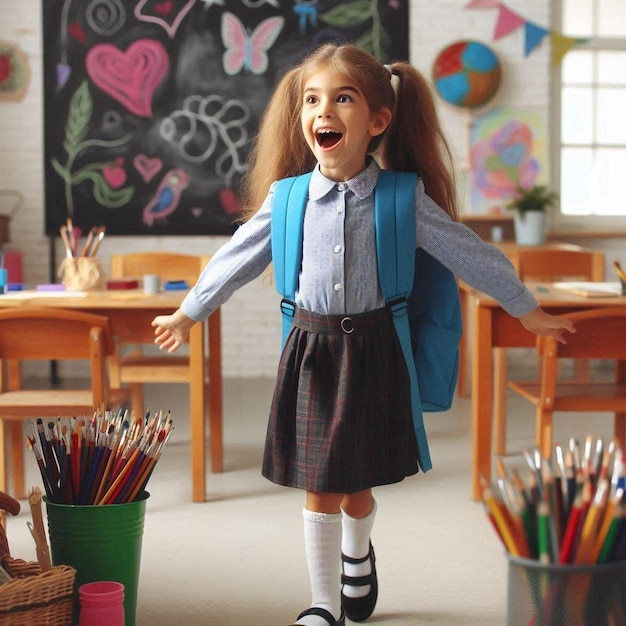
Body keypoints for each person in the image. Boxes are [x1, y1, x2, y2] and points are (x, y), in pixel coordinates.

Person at [151, 43, 575, 626]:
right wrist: (188, 311)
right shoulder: (288, 198)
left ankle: (358, 551)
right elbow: (236, 258)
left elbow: (469, 253)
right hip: (311, 350)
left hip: (377, 349)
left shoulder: (402, 198)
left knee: (357, 485)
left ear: (377, 121)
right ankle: (323, 603)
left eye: (342, 98)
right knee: (321, 483)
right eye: (312, 99)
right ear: (302, 119)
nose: (324, 110)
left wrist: (525, 308)